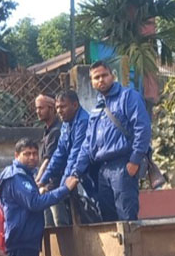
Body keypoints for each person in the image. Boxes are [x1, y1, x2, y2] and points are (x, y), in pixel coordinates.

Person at [72, 60, 151, 221]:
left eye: (104, 75)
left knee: (126, 219)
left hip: (123, 165)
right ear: (92, 82)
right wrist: (76, 172)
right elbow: (88, 144)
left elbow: (142, 129)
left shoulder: (128, 97)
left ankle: (130, 248)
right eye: (96, 77)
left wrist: (135, 160)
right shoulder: (96, 109)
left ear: (112, 76)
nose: (101, 80)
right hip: (103, 169)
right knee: (108, 220)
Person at [38, 90, 90, 225]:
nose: (59, 111)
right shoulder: (66, 124)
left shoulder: (83, 121)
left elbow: (75, 154)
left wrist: (62, 188)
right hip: (77, 173)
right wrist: (43, 180)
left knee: (93, 210)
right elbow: (59, 154)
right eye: (57, 107)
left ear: (75, 105)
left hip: (90, 172)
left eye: (63, 106)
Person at [34, 93, 65, 226]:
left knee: (60, 225)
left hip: (56, 186)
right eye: (37, 108)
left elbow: (48, 160)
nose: (38, 112)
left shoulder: (56, 131)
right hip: (48, 187)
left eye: (41, 108)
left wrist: (39, 181)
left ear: (51, 109)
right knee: (49, 227)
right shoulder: (48, 131)